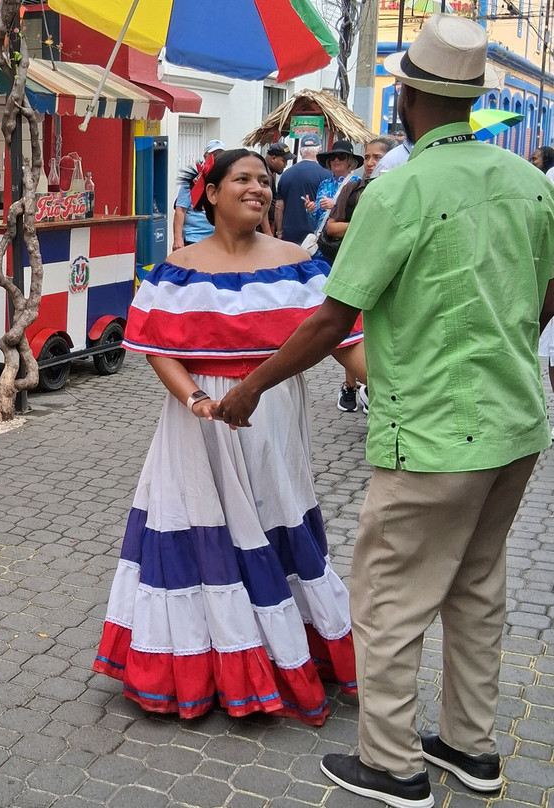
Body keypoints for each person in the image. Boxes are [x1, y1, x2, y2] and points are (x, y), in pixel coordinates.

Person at [215, 15, 554, 808]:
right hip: (516, 428)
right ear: (471, 99)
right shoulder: (530, 182)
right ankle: (472, 750)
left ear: (407, 99)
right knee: (477, 592)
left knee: (389, 601)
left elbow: (335, 318)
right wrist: (515, 343)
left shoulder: (396, 189)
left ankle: (393, 765)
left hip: (433, 435)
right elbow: (546, 292)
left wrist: (249, 388)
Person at [93, 148, 363, 728]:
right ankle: (204, 667)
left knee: (273, 520)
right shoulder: (177, 268)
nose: (258, 188)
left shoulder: (299, 264)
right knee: (201, 529)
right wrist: (195, 399)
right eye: (243, 179)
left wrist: (399, 390)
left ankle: (279, 655)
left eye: (264, 181)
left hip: (274, 423)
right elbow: (157, 348)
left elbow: (344, 341)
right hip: (197, 426)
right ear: (211, 193)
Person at [324, 136, 395, 413]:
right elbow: (331, 228)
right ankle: (351, 387)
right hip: (352, 263)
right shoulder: (353, 188)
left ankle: (373, 386)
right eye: (367, 157)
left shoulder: (393, 189)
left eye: (377, 157)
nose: (370, 163)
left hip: (383, 266)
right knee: (352, 326)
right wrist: (365, 224)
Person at [171, 140, 225, 250]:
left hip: (217, 239)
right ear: (205, 156)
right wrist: (178, 239)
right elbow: (180, 210)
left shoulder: (224, 179)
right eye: (214, 155)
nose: (217, 159)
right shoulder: (194, 180)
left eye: (221, 155)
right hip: (194, 238)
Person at [276, 135, 331, 244]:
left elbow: (279, 207)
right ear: (319, 150)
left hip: (289, 235)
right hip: (314, 237)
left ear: (301, 152)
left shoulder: (286, 174)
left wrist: (279, 231)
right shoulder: (327, 175)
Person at [305, 140, 361, 235]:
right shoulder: (324, 184)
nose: (336, 160)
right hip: (322, 239)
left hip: (341, 239)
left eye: (341, 156)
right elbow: (317, 218)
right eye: (332, 157)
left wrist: (334, 205)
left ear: (350, 161)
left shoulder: (358, 183)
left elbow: (359, 212)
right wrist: (311, 209)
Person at [264, 140, 296, 237]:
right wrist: (267, 231)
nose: (285, 165)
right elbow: (263, 205)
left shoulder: (268, 173)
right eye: (283, 161)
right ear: (273, 158)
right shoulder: (265, 176)